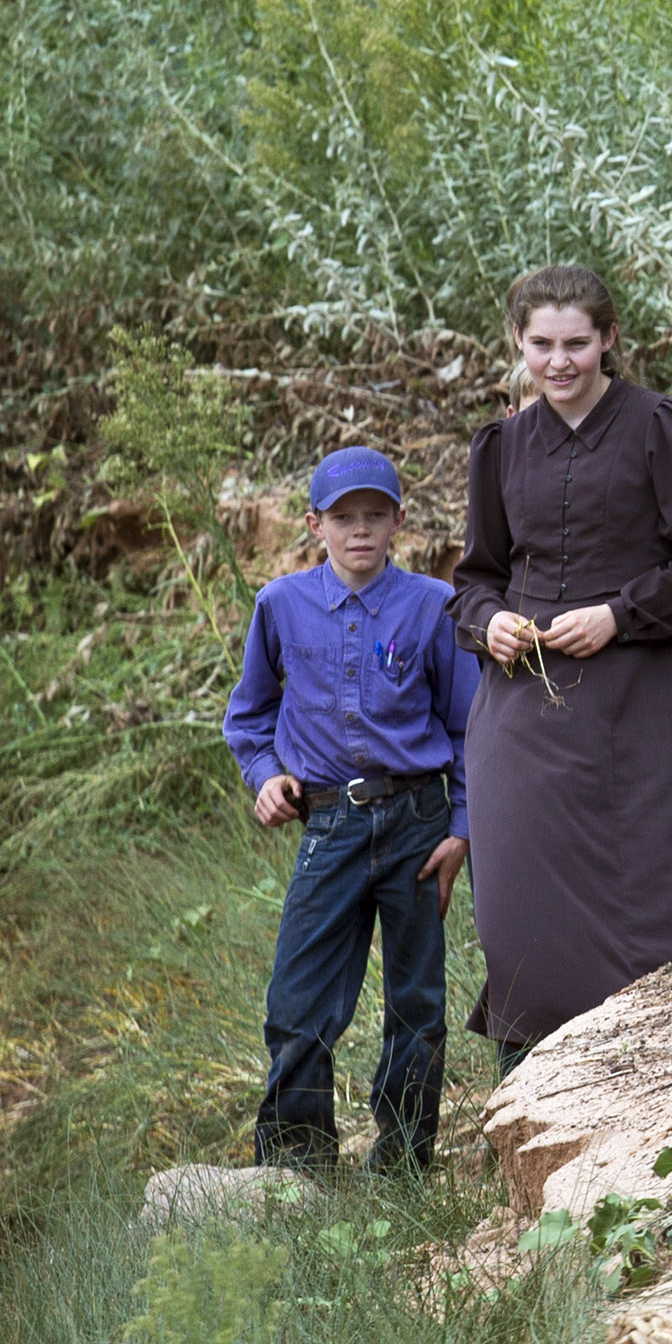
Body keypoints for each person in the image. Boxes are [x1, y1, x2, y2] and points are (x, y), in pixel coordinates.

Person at [453, 268, 672, 1064]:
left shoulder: (661, 426)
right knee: (523, 903)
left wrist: (618, 614)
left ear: (609, 338)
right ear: (518, 342)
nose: (559, 361)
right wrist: (490, 623)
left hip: (654, 695)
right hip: (527, 712)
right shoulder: (500, 446)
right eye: (542, 344)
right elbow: (475, 578)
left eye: (577, 343)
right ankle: (539, 1071)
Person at [223, 446, 477, 1170]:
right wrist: (266, 776)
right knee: (297, 1001)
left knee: (417, 1002)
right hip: (330, 822)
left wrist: (462, 829)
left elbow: (467, 728)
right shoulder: (281, 605)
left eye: (374, 515)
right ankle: (296, 1167)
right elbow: (248, 717)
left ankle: (403, 1162)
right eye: (343, 518)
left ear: (399, 520)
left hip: (418, 821)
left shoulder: (432, 605)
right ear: (315, 524)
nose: (359, 530)